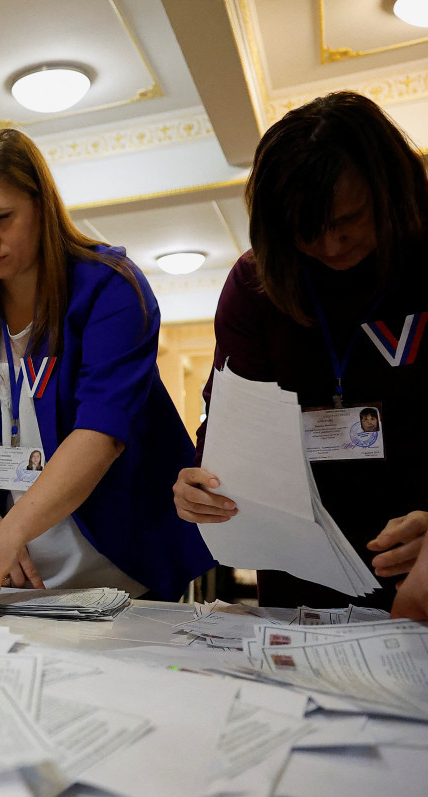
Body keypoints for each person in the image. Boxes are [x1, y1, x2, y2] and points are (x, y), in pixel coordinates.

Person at [0, 129, 212, 609]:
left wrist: (7, 536)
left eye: (1, 218)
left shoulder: (109, 287)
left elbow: (102, 431)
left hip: (122, 562)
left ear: (41, 206)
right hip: (5, 569)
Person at [172, 92, 428, 610]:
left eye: (348, 220)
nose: (331, 246)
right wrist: (202, 479)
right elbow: (230, 416)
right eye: (307, 232)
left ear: (389, 191)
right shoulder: (256, 284)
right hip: (305, 566)